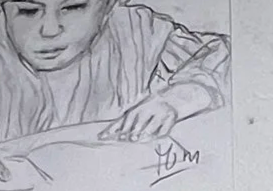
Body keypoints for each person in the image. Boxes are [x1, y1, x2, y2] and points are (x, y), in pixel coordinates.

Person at [0, 0, 230, 180]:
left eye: (73, 7)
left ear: (108, 6)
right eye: (28, 11)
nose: (50, 29)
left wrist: (179, 98)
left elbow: (224, 56)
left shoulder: (137, 30)